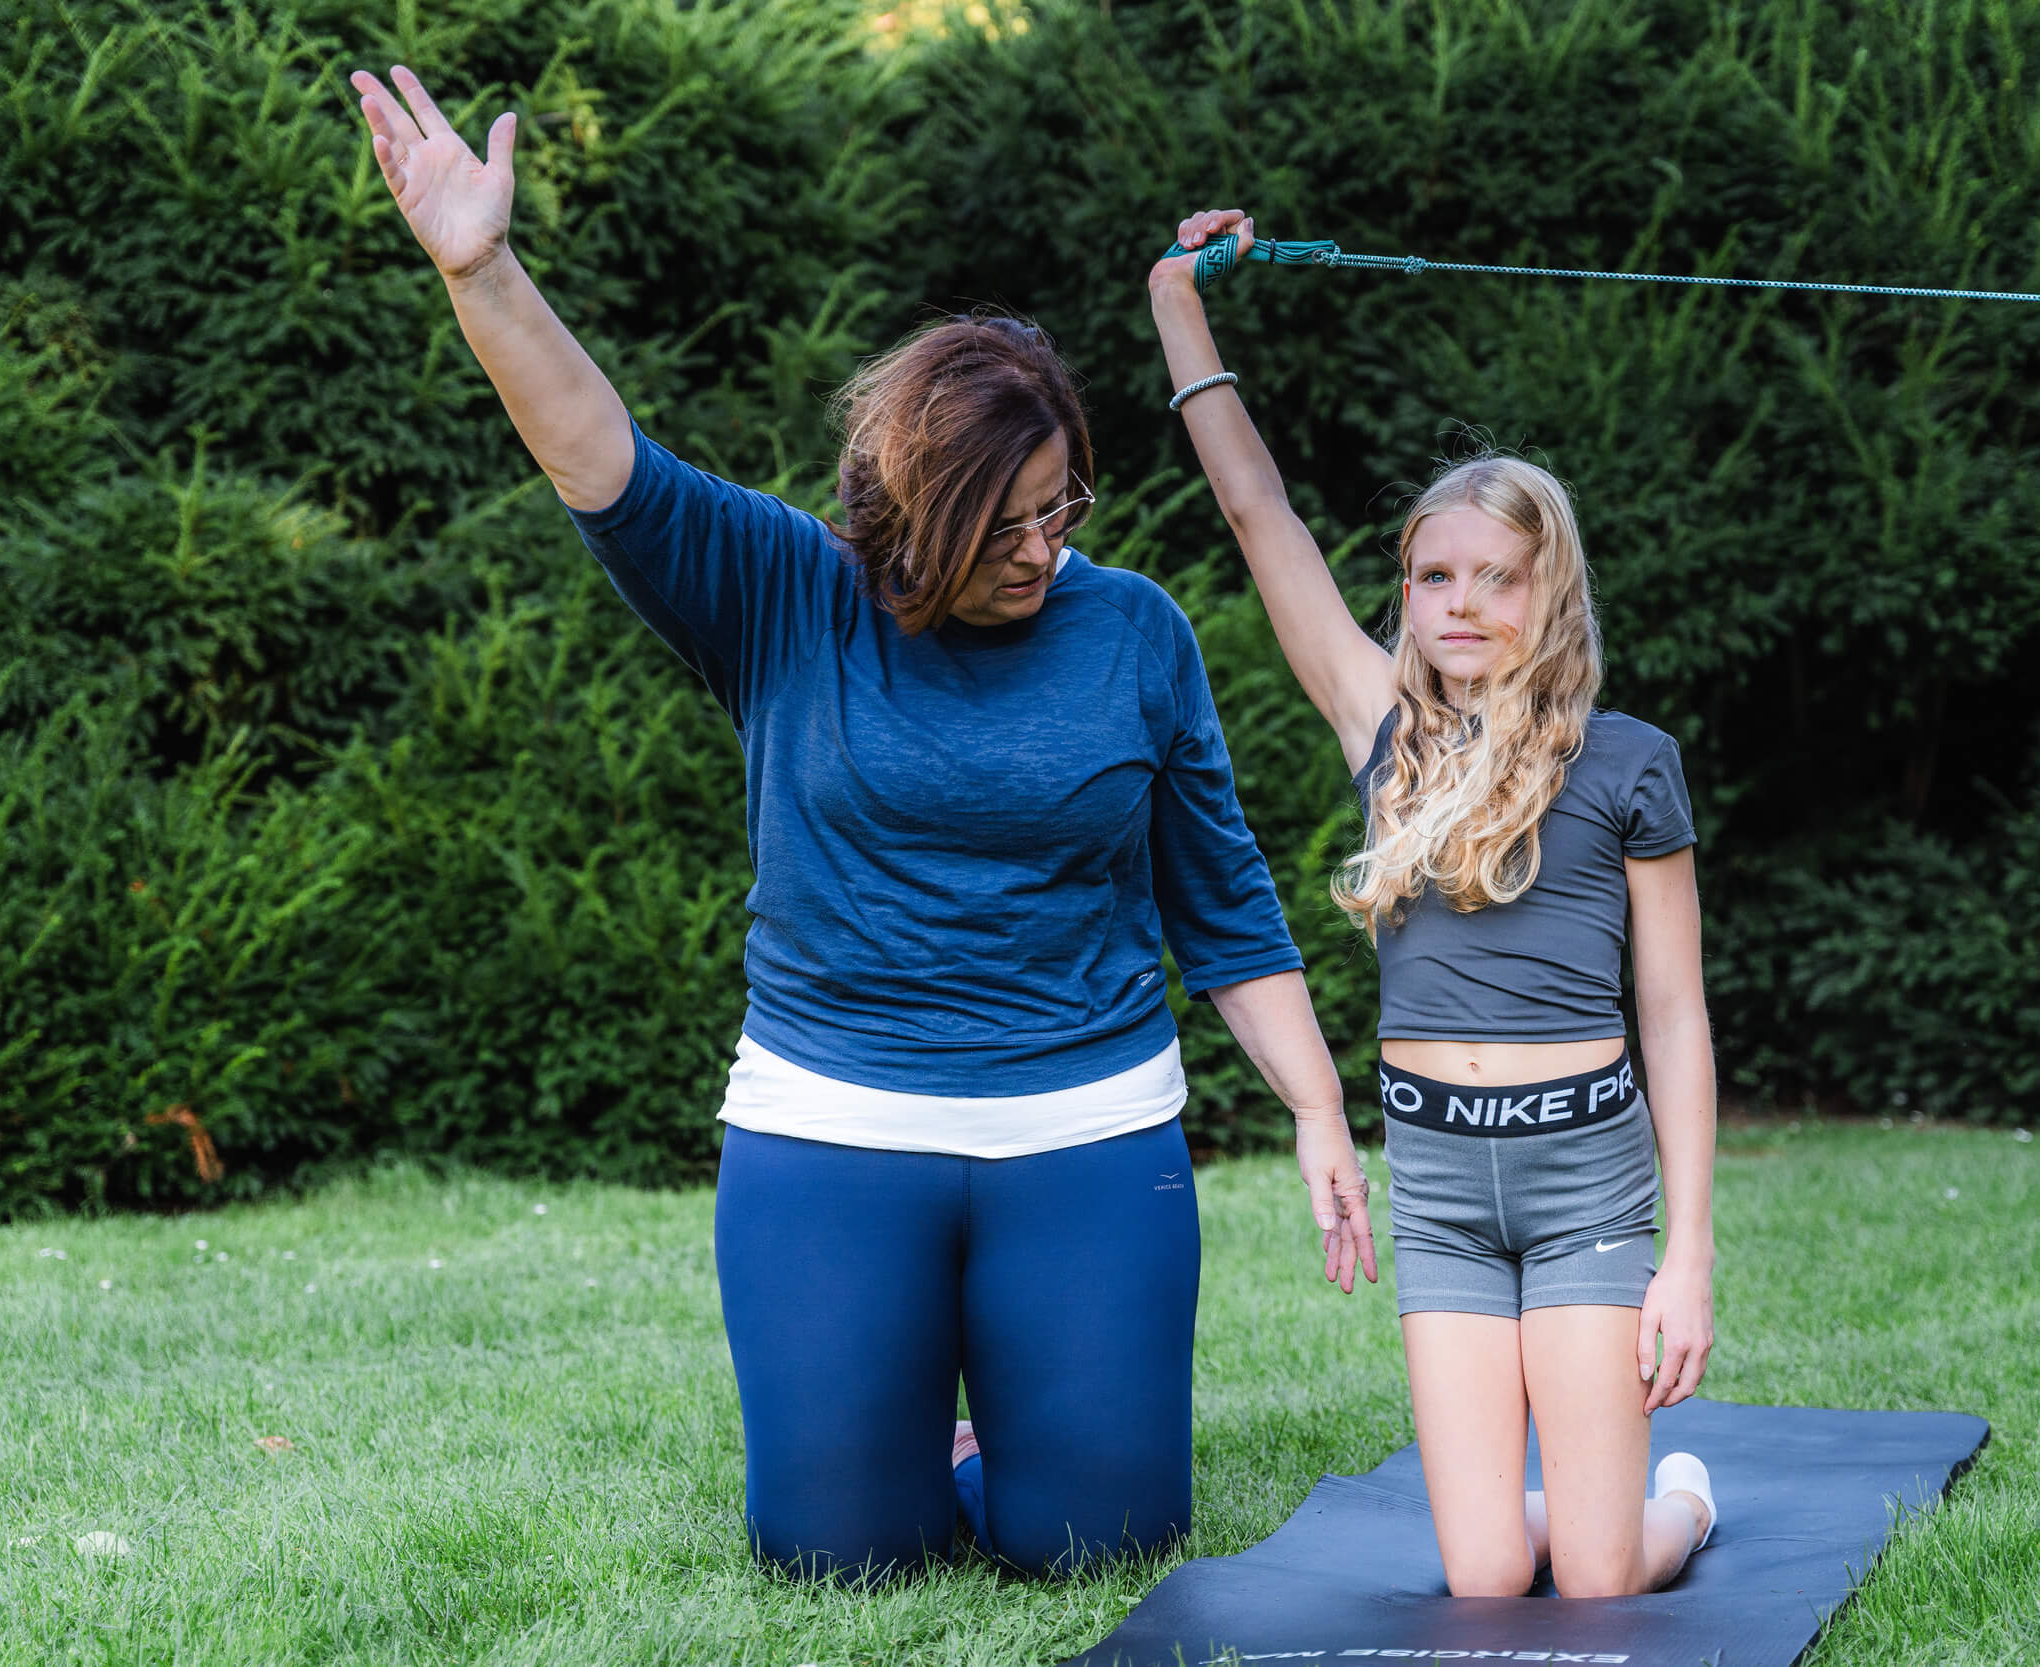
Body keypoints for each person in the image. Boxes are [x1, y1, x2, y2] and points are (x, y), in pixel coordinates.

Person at [348, 69, 1379, 1584]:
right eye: (1003, 523)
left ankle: (1016, 1417)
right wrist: (483, 271)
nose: (1041, 549)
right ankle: (921, 1425)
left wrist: (1315, 1109)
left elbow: (1221, 907)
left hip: (1086, 1129)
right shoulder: (782, 592)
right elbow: (600, 460)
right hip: (835, 1127)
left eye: (1061, 509)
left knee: (1097, 1545)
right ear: (913, 512)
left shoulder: (1135, 635)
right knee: (839, 1560)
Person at [1148, 209, 1721, 1599]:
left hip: (1587, 1174)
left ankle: (1684, 1504)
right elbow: (1256, 510)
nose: (1460, 604)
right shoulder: (1379, 730)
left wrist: (1687, 1255)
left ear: (1549, 589)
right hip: (1444, 1183)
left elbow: (1674, 1015)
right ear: (1403, 591)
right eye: (1432, 575)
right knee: (1481, 1580)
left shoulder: (1631, 764)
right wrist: (1177, 300)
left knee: (1594, 1580)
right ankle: (1590, 1486)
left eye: (1496, 577)